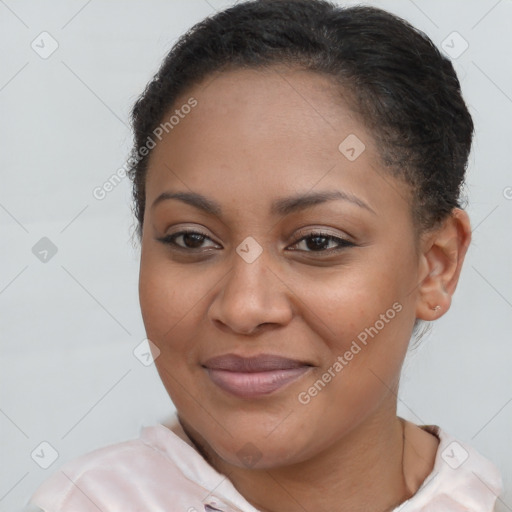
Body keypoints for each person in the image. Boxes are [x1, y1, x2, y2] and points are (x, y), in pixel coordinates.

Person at [26, 0, 503, 510]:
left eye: (318, 242)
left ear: (436, 266)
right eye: (191, 239)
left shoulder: (478, 497)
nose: (244, 308)